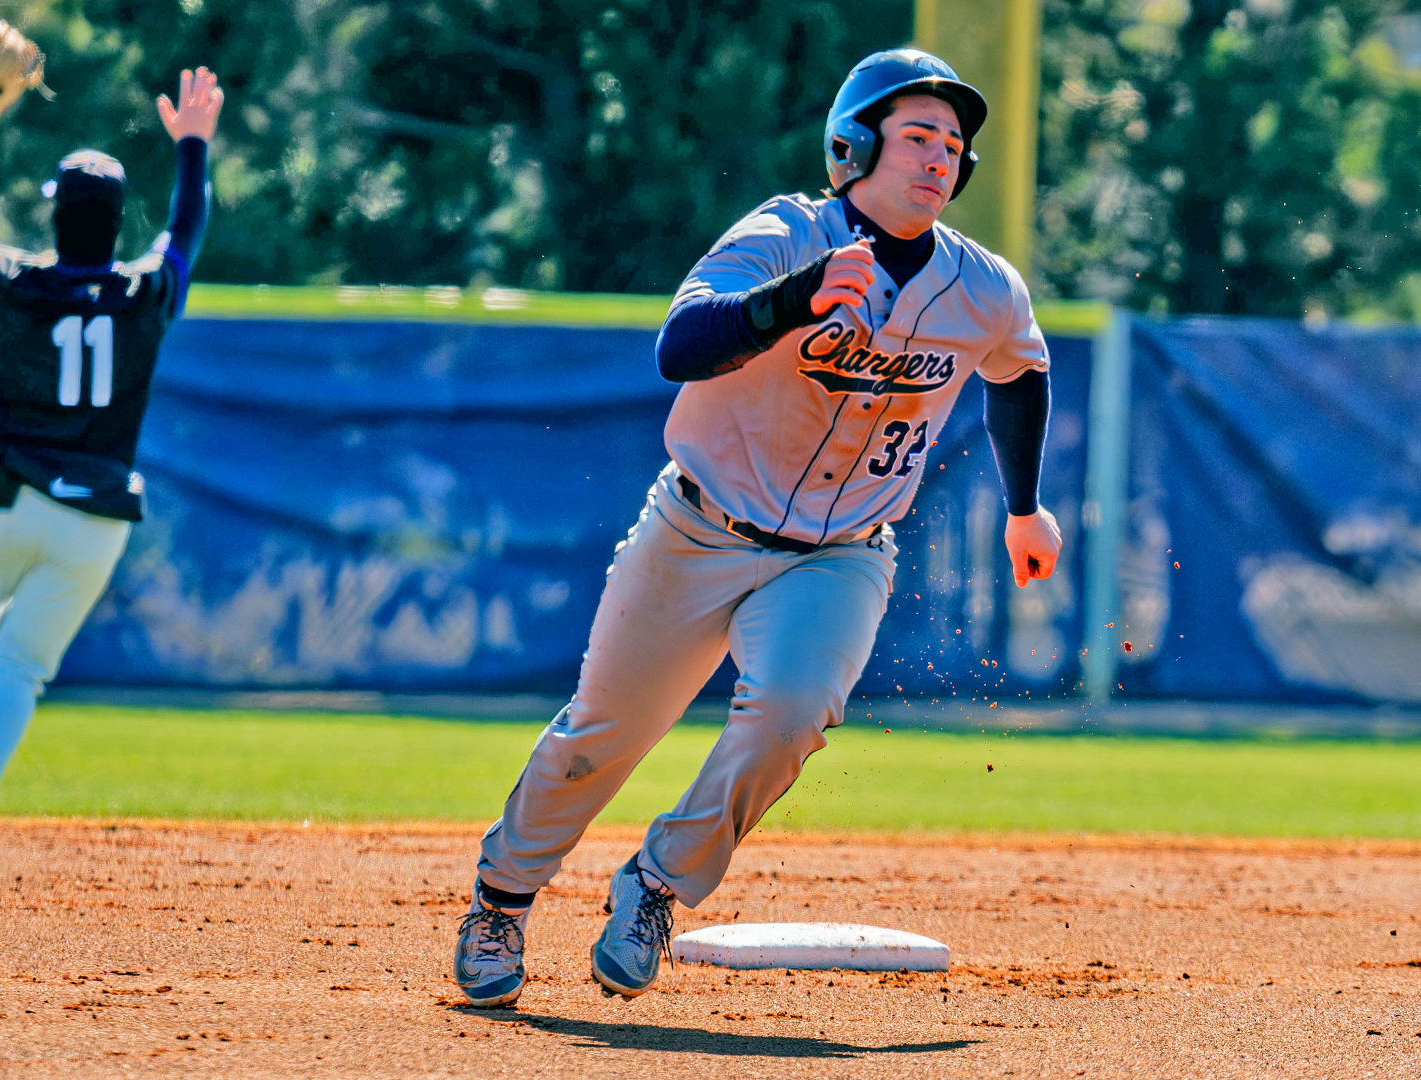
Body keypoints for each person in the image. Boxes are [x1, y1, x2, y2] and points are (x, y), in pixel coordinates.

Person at [452, 48, 1061, 1008]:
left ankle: (655, 884)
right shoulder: (786, 232)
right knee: (601, 736)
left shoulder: (984, 288)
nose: (940, 157)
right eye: (916, 136)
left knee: (789, 715)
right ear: (852, 145)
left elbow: (1020, 374)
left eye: (953, 144)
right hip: (698, 528)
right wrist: (791, 301)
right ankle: (502, 896)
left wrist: (1024, 508)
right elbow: (679, 344)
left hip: (843, 552)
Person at [0, 67, 222, 810]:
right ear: (114, 218)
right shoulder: (143, 295)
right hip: (96, 518)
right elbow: (187, 228)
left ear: (58, 215)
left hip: (9, 498)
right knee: (23, 665)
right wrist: (193, 147)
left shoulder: (14, 283)